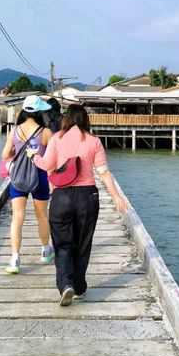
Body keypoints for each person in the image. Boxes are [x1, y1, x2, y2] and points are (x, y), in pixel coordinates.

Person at [29, 104, 126, 306]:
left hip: (61, 195)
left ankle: (66, 285)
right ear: (85, 120)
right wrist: (117, 197)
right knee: (83, 242)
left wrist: (34, 157)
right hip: (87, 196)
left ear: (67, 119)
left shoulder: (57, 138)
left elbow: (47, 165)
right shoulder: (94, 141)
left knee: (63, 243)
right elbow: (104, 172)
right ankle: (80, 287)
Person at [1, 95, 54, 274]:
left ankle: (15, 259)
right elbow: (53, 158)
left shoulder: (14, 131)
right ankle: (46, 251)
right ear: (39, 112)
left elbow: (5, 154)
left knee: (17, 217)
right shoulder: (45, 132)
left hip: (18, 177)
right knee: (42, 216)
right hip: (39, 176)